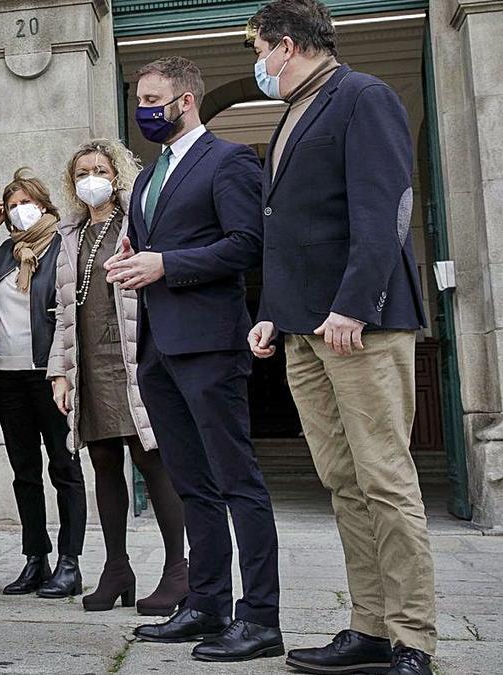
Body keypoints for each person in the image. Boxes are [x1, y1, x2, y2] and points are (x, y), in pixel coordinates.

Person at [245, 3, 435, 674]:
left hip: (361, 325)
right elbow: (287, 227)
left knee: (385, 478)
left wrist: (355, 303)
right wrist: (271, 310)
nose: (258, 64)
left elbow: (386, 208)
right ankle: (370, 626)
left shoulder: (362, 97)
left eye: (260, 51)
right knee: (344, 480)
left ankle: (413, 638)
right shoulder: (293, 111)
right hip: (303, 328)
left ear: (288, 45)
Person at [104, 56, 283, 663]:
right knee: (191, 485)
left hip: (210, 344)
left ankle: (260, 618)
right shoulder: (151, 174)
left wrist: (167, 265)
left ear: (184, 99)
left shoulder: (228, 160)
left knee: (237, 481)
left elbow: (247, 244)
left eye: (152, 98)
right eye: (138, 99)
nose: (142, 109)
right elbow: (157, 243)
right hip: (158, 347)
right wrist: (136, 256)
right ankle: (206, 603)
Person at [48, 139, 188, 616]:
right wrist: (59, 375)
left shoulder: (136, 223)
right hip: (87, 362)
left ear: (117, 174)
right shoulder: (69, 236)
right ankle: (116, 569)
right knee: (104, 463)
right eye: (83, 170)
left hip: (132, 358)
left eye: (100, 169)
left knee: (151, 461)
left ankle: (178, 571)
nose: (92, 177)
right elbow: (63, 313)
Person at [0, 169, 87, 599]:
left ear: (44, 203)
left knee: (64, 466)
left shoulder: (64, 245)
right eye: (12, 204)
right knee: (24, 471)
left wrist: (65, 370)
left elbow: (71, 311)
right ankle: (35, 559)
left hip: (50, 373)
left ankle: (69, 563)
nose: (21, 211)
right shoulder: (2, 254)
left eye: (27, 202)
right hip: (7, 374)